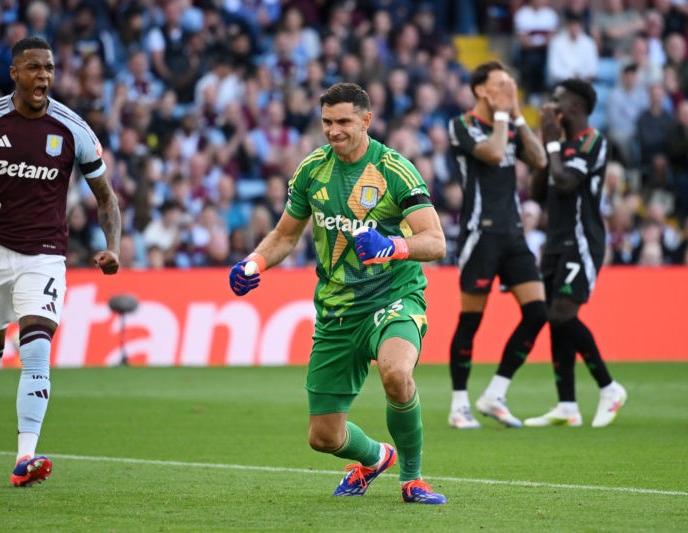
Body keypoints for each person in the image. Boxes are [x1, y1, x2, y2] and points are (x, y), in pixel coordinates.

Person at [228, 82, 448, 505]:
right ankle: (375, 457)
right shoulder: (312, 170)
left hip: (393, 297)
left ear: (366, 120)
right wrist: (253, 263)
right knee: (324, 438)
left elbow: (435, 241)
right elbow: (284, 236)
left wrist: (393, 247)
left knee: (397, 376)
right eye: (327, 121)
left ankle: (413, 478)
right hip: (337, 311)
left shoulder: (394, 169)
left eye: (344, 121)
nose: (333, 130)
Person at [0, 37, 122, 486]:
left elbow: (107, 199)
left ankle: (25, 457)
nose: (44, 77)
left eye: (50, 69)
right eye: (35, 68)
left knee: (37, 346)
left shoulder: (73, 128)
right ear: (15, 73)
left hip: (44, 255)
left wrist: (113, 245)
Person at [446, 61, 549, 429]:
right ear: (480, 90)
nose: (508, 87)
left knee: (538, 312)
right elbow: (491, 153)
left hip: (513, 232)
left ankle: (495, 393)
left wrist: (518, 117)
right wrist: (505, 115)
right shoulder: (462, 125)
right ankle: (459, 404)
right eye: (500, 83)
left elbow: (540, 160)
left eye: (510, 81)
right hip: (480, 232)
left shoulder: (508, 122)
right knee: (471, 320)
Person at [527, 78, 627, 427]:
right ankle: (567, 405)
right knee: (555, 320)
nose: (551, 105)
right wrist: (546, 143)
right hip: (555, 241)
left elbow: (568, 183)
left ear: (577, 107)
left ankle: (609, 387)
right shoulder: (560, 144)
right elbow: (538, 192)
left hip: (582, 239)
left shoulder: (593, 142)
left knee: (562, 315)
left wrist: (553, 145)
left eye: (558, 99)